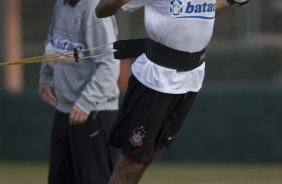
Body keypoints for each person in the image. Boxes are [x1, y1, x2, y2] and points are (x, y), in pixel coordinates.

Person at [95, 0, 252, 184]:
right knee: (131, 165)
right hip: (155, 81)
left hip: (191, 79)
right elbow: (101, 10)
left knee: (148, 156)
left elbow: (211, 4)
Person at [38, 0, 120, 183]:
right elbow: (53, 43)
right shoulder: (61, 3)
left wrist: (85, 103)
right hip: (64, 110)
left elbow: (110, 65)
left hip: (93, 114)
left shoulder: (94, 7)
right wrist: (46, 76)